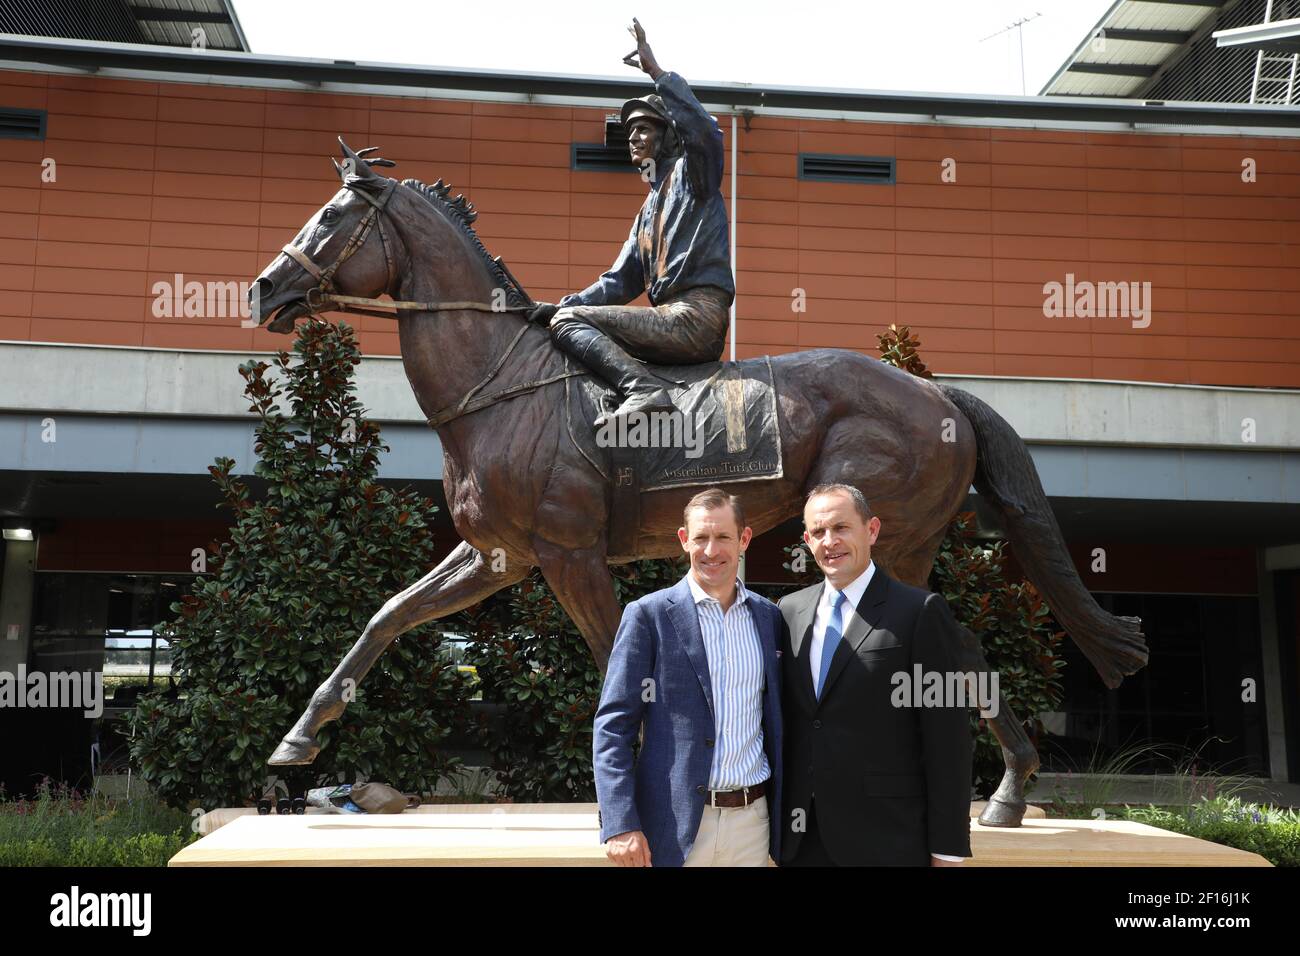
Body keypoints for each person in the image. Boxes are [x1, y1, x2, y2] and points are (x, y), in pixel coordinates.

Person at [528, 19, 735, 426]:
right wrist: (561, 305)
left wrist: (658, 75)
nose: (633, 137)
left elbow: (707, 135)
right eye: (629, 132)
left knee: (571, 325)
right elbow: (619, 282)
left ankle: (643, 391)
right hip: (671, 318)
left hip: (696, 317)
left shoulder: (694, 176)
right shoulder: (647, 211)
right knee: (566, 318)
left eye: (643, 128)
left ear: (669, 136)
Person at [779, 483, 974, 866]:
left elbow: (949, 737)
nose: (829, 541)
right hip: (802, 842)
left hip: (888, 841)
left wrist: (948, 849)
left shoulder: (921, 611)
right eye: (818, 532)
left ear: (872, 530)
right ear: (806, 540)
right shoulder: (788, 611)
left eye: (841, 528)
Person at [593, 489, 782, 866]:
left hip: (753, 825)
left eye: (723, 537)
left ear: (744, 539)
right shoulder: (648, 616)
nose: (711, 550)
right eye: (701, 538)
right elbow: (613, 727)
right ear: (684, 540)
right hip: (673, 826)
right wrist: (619, 822)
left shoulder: (769, 618)